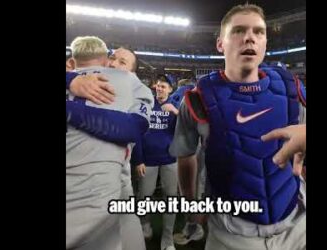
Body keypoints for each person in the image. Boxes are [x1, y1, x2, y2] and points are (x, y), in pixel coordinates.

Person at [169, 3, 306, 250]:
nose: (249, 38)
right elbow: (185, 157)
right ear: (220, 44)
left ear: (265, 43)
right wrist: (192, 206)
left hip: (297, 225)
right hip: (232, 232)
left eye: (258, 32)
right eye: (238, 31)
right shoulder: (197, 99)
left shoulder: (291, 89)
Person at [66, 36, 154, 250]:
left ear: (132, 72)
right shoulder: (81, 78)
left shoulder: (135, 88)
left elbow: (132, 129)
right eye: (113, 57)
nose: (114, 63)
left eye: (122, 62)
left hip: (121, 175)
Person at [131, 75, 179, 250]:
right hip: (148, 160)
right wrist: (139, 159)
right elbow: (138, 132)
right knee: (144, 195)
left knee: (171, 198)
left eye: (163, 86)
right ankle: (145, 224)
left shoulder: (175, 106)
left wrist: (176, 112)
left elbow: (186, 131)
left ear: (170, 89)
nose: (159, 89)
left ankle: (167, 238)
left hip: (170, 159)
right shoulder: (146, 104)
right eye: (158, 86)